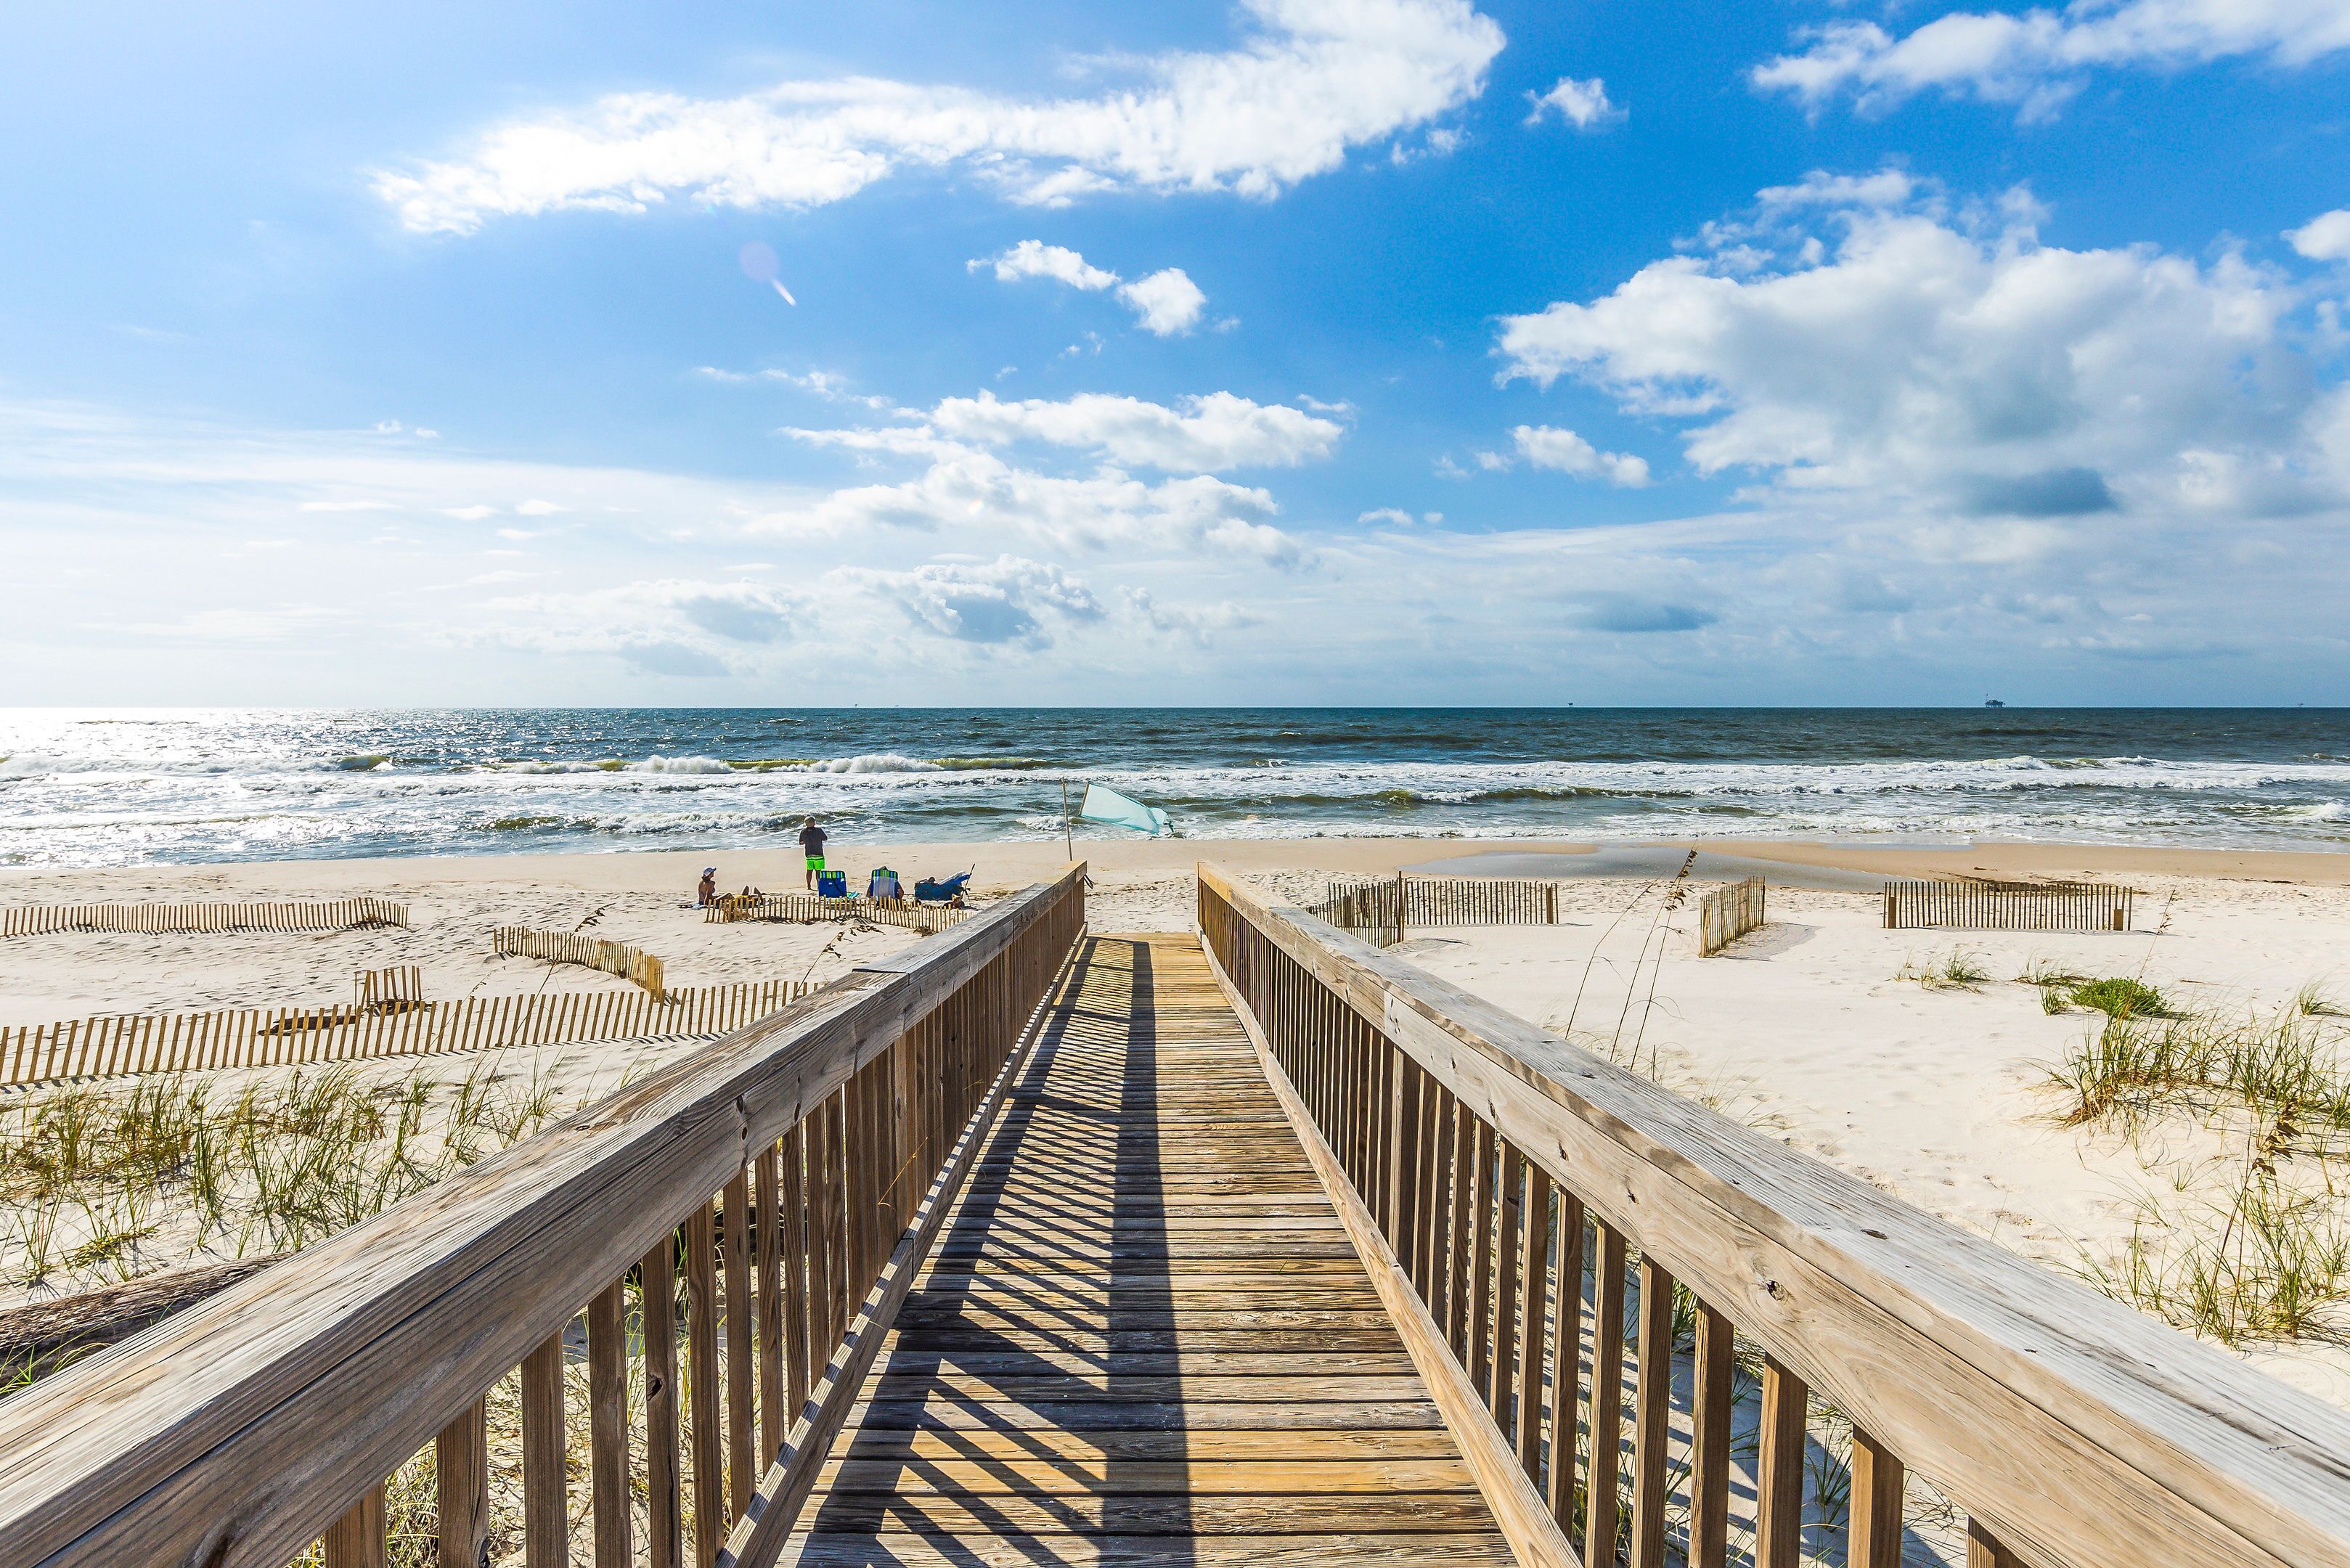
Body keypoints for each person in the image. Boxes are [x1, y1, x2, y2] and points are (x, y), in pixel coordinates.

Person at [799, 817, 828, 891]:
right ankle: (819, 886)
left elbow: (801, 842)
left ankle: (809, 886)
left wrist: (807, 840)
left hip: (809, 854)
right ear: (813, 823)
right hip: (818, 853)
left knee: (809, 871)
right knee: (818, 871)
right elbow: (825, 838)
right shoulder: (818, 830)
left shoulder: (803, 832)